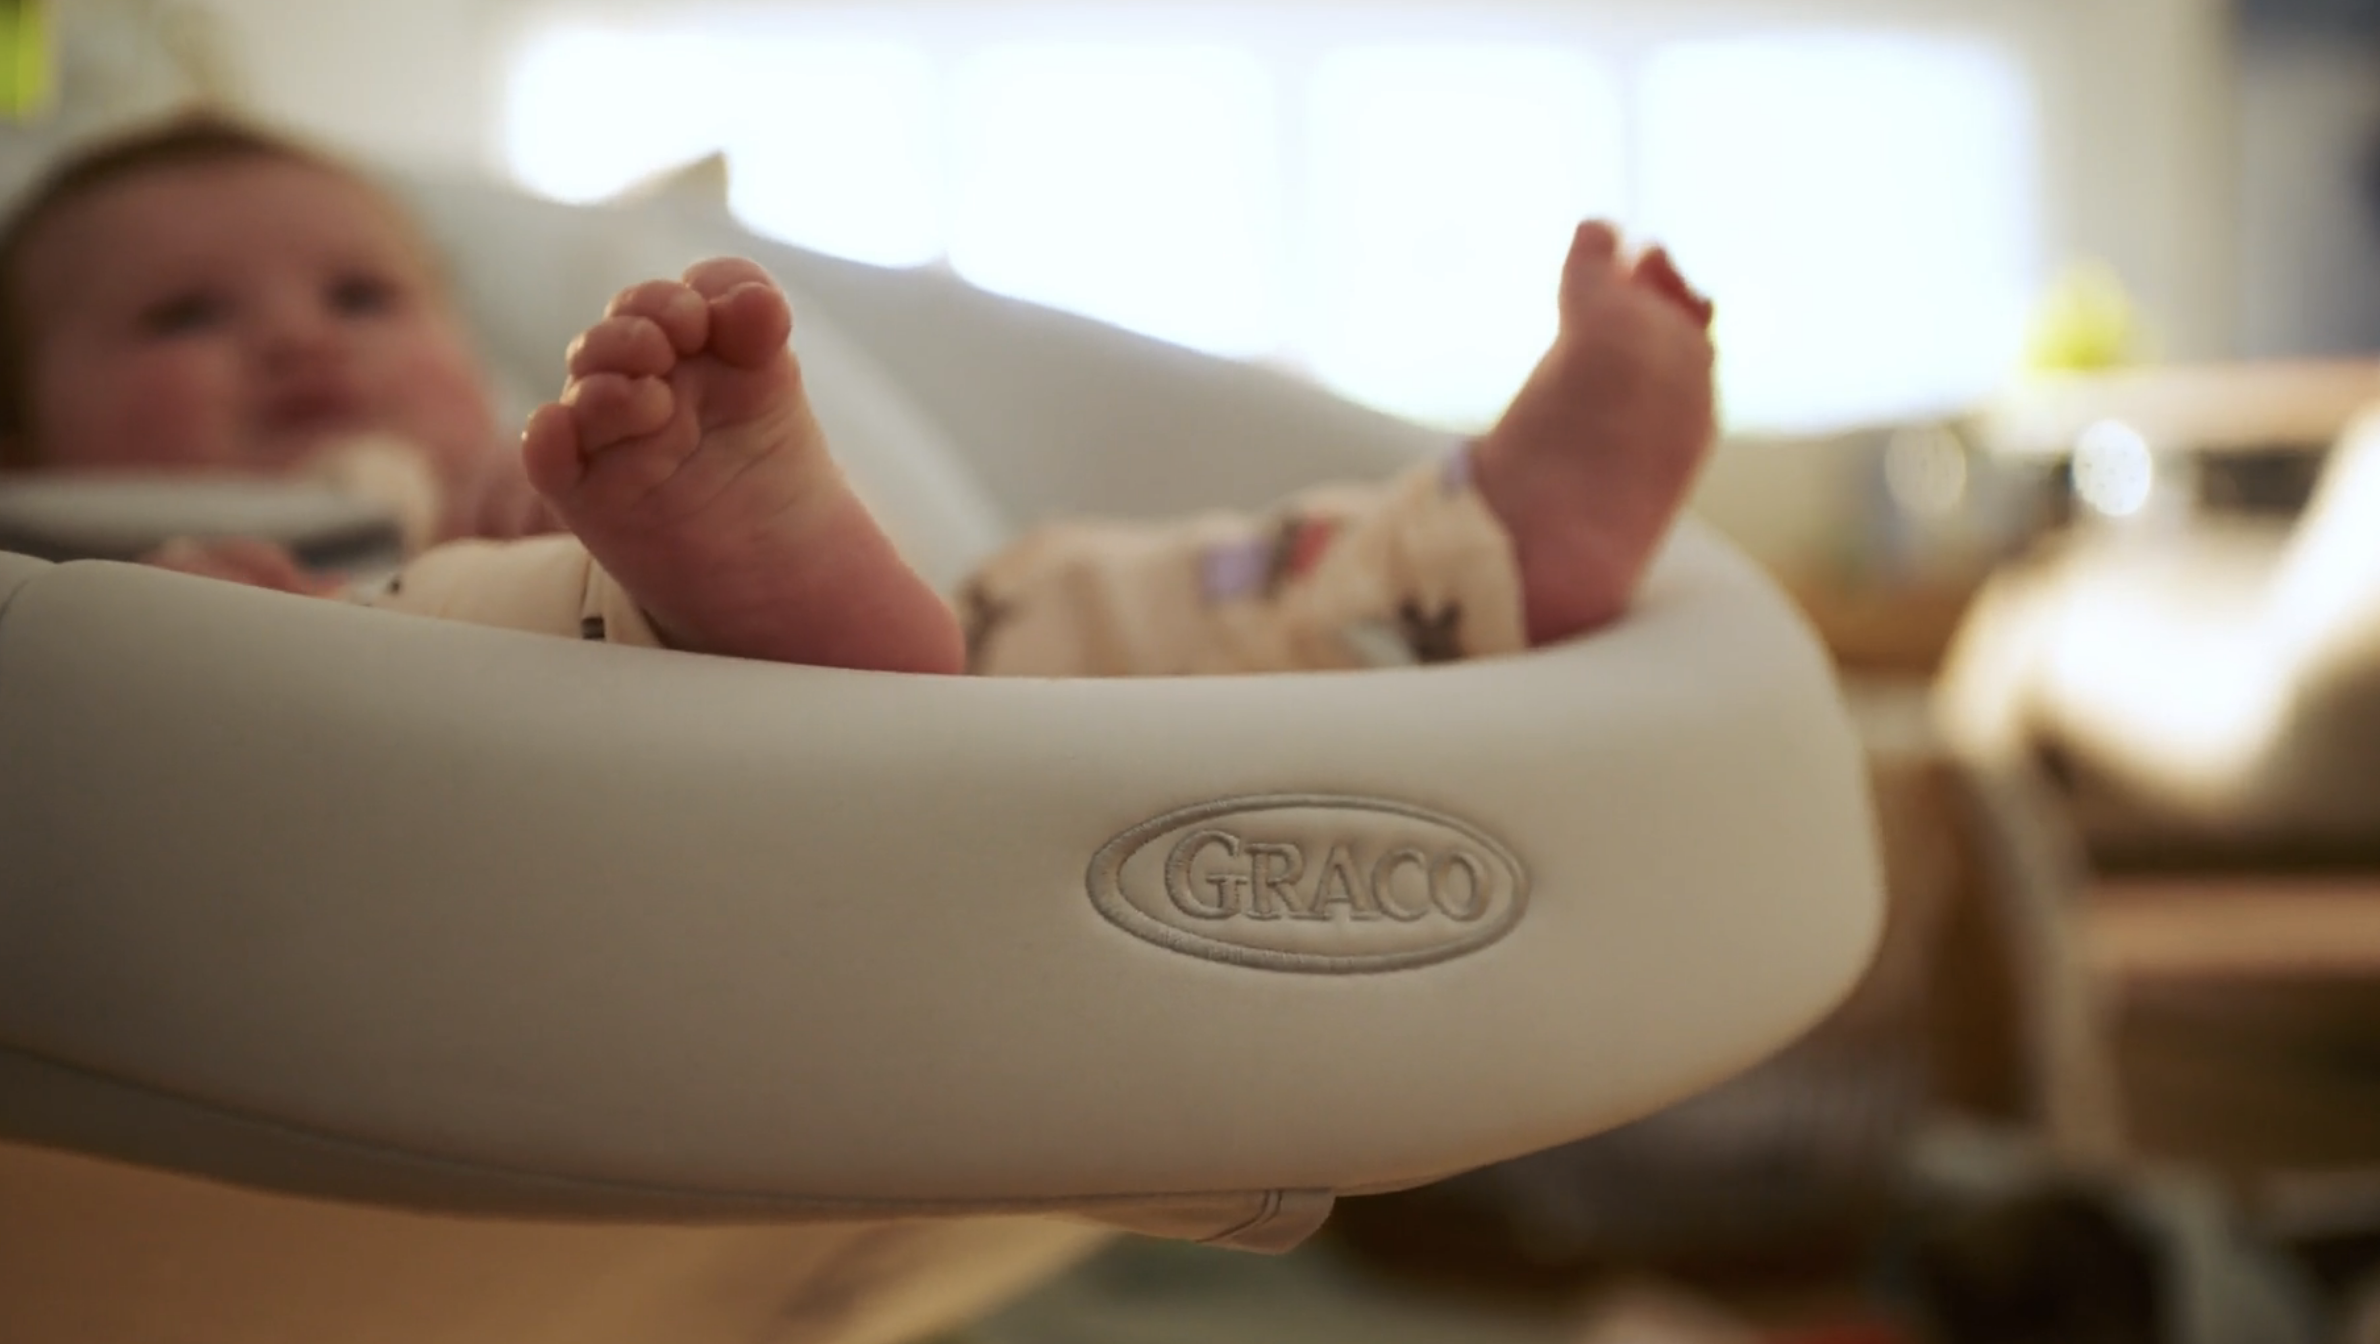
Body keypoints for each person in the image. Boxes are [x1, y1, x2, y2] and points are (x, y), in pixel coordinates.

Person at [0, 115, 1717, 677]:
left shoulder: (526, 453)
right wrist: (207, 629)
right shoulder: (88, 576)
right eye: (183, 316)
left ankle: (1463, 553)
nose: (297, 341)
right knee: (481, 610)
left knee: (1101, 597)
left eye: (364, 294)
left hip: (938, 649)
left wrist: (547, 486)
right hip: (506, 696)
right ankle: (725, 589)